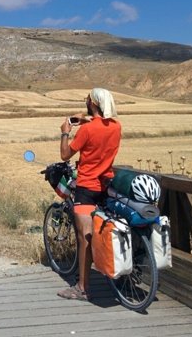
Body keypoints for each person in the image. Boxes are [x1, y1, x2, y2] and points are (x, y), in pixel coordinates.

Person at [56, 87, 121, 301]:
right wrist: (85, 121)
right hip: (105, 187)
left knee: (85, 237)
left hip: (86, 188)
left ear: (92, 103)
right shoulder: (116, 126)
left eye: (87, 99)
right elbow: (99, 130)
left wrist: (66, 131)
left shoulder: (86, 130)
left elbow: (66, 154)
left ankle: (82, 288)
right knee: (99, 233)